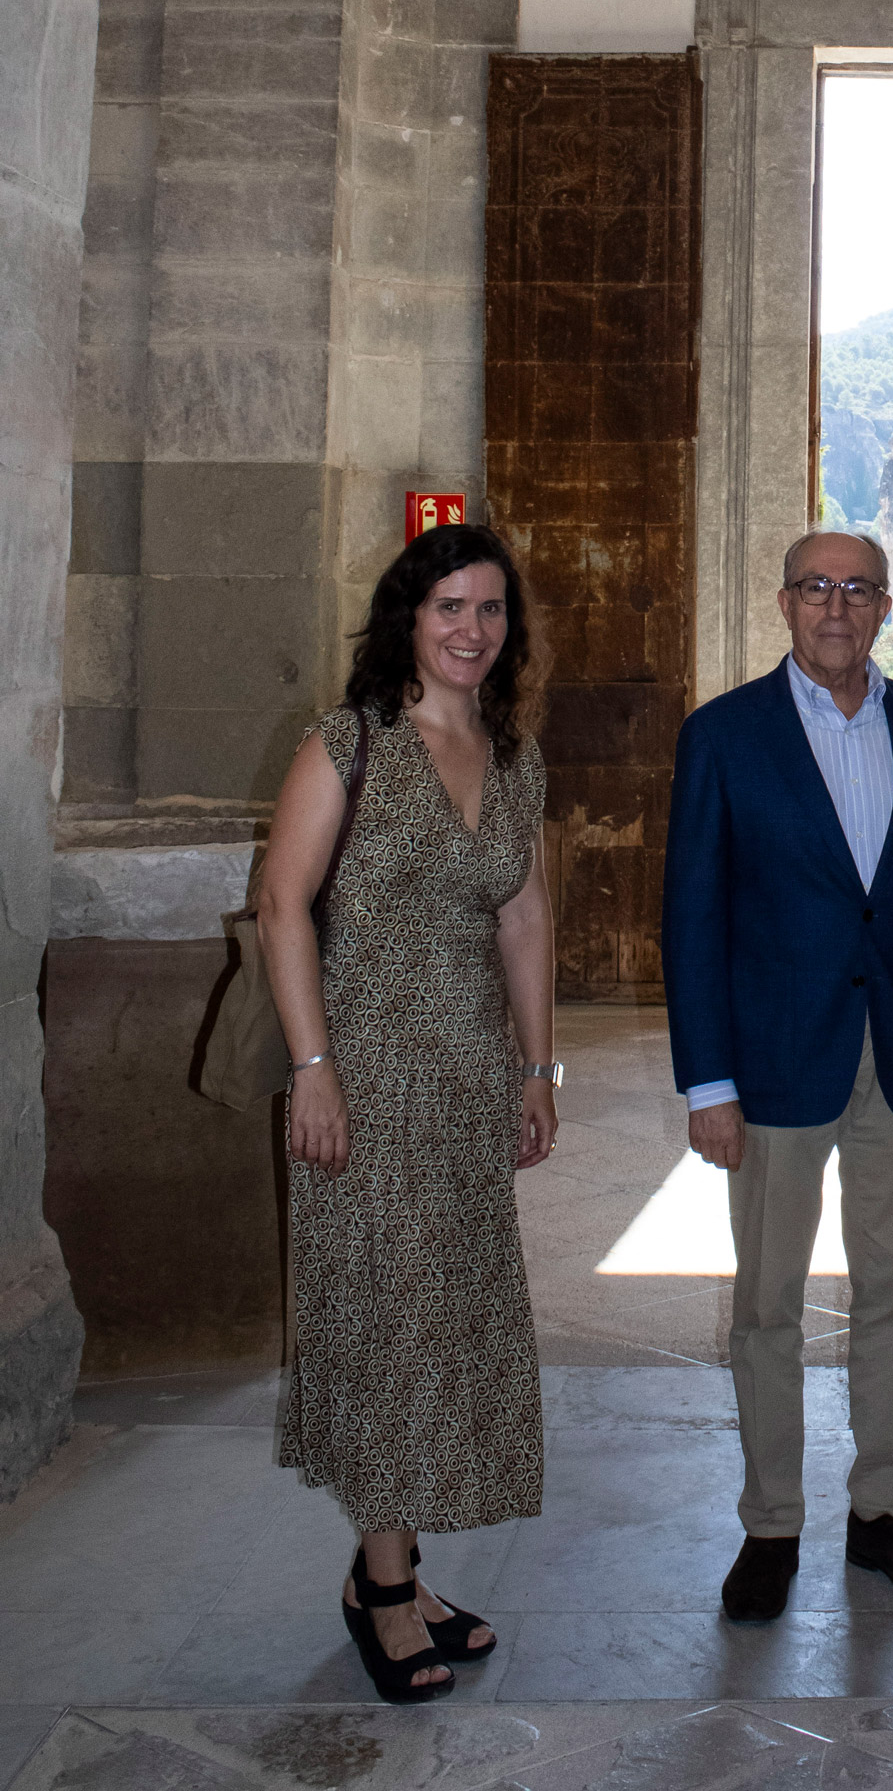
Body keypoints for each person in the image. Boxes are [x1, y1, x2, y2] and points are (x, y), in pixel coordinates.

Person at [661, 529, 893, 1623]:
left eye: (857, 589)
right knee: (766, 1303)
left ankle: (883, 1513)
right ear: (784, 602)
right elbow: (693, 917)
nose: (836, 607)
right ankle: (770, 1523)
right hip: (771, 1066)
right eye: (816, 586)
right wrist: (706, 1082)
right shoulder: (722, 735)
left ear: (887, 607)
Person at [260, 522, 556, 1704]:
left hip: (467, 1087)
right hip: (364, 1083)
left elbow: (523, 920)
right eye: (449, 607)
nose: (471, 629)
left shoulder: (513, 753)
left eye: (489, 609)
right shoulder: (351, 742)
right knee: (386, 1328)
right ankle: (383, 1590)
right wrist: (313, 1066)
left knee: (445, 1327)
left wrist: (540, 1071)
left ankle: (400, 1566)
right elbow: (282, 904)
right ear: (408, 618)